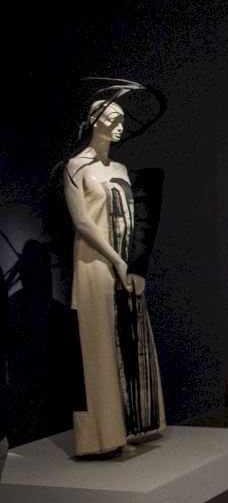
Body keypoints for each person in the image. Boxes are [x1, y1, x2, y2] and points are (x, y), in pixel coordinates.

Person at [64, 99, 166, 456]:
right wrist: (115, 260)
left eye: (122, 119)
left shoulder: (121, 169)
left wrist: (133, 264)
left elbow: (136, 220)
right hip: (94, 262)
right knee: (97, 345)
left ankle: (133, 426)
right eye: (112, 118)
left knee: (127, 339)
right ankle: (101, 437)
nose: (119, 125)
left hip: (123, 265)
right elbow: (82, 221)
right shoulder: (76, 167)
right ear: (95, 120)